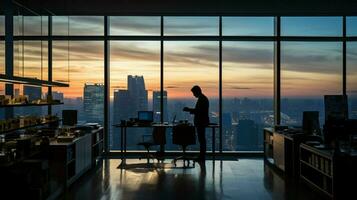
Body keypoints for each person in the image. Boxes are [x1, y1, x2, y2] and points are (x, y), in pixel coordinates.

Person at [183, 85, 209, 161]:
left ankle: (202, 157)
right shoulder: (203, 98)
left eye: (194, 93)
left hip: (201, 122)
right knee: (202, 140)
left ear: (197, 91)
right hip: (201, 122)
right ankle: (201, 157)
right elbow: (199, 110)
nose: (193, 95)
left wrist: (188, 110)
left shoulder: (202, 99)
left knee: (202, 140)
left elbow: (199, 111)